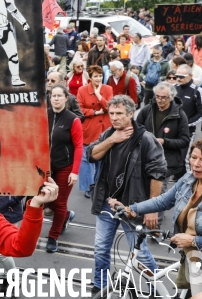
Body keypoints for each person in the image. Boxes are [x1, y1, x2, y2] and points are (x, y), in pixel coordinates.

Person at [113, 137, 202, 295]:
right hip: (194, 260)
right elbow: (163, 201)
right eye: (193, 158)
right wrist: (132, 209)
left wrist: (193, 240)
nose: (196, 164)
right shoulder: (188, 180)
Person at [86, 95, 166, 295]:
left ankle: (156, 289)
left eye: (119, 113)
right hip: (107, 203)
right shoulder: (108, 135)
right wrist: (112, 140)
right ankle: (100, 285)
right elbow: (91, 154)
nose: (114, 117)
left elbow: (157, 174)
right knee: (101, 248)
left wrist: (152, 209)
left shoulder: (145, 139)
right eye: (111, 113)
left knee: (140, 255)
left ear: (131, 114)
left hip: (132, 206)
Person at [45, 84, 82, 253]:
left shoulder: (72, 119)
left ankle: (53, 237)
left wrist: (75, 171)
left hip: (65, 166)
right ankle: (66, 216)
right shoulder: (44, 114)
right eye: (54, 96)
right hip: (46, 166)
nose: (56, 98)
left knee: (59, 203)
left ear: (66, 98)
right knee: (42, 199)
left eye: (60, 95)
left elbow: (79, 146)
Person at [136, 82, 190, 196]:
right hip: (146, 159)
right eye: (157, 96)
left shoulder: (180, 115)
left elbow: (184, 140)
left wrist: (164, 142)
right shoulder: (147, 110)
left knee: (158, 196)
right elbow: (136, 129)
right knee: (142, 192)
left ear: (171, 97)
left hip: (166, 161)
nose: (159, 100)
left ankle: (157, 214)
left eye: (163, 97)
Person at [77, 65, 113, 198]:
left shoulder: (107, 89)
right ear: (90, 78)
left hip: (104, 129)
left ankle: (98, 185)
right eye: (95, 76)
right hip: (89, 128)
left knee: (101, 159)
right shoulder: (82, 90)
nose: (98, 79)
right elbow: (79, 109)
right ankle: (88, 187)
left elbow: (110, 106)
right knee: (86, 159)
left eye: (100, 76)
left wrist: (99, 95)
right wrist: (94, 112)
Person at [175, 64, 202, 173]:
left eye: (181, 76)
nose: (178, 79)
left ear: (190, 76)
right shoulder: (173, 88)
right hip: (171, 129)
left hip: (187, 131)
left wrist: (187, 124)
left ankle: (188, 183)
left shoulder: (197, 91)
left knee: (184, 158)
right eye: (177, 76)